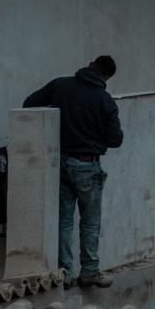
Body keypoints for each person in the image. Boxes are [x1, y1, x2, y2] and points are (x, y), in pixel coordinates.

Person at [23, 56, 123, 288]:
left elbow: (29, 104)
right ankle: (89, 271)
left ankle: (65, 273)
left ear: (89, 65)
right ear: (107, 77)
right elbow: (116, 140)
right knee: (90, 221)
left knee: (64, 220)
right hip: (87, 166)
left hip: (61, 163)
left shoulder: (60, 85)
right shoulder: (104, 101)